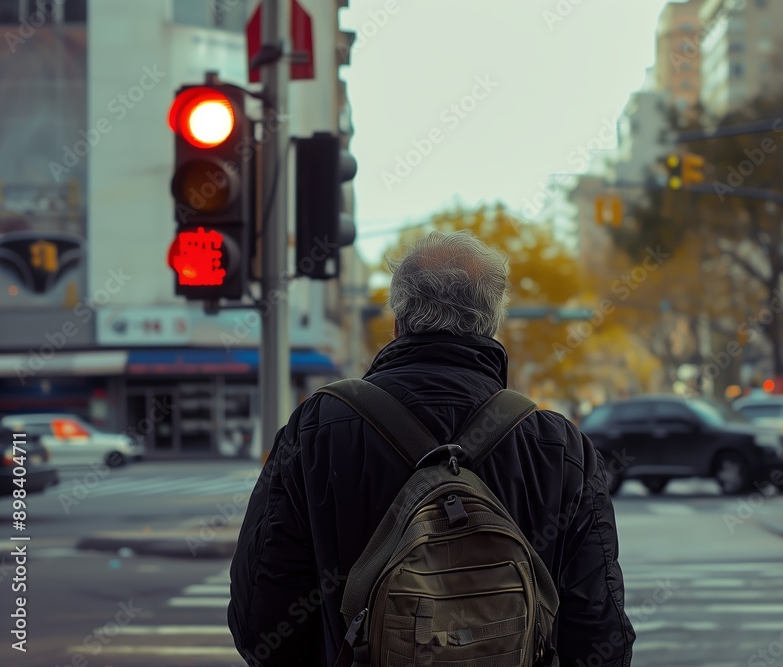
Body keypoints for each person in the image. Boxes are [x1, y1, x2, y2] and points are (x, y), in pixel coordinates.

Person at [228, 231, 635, 666]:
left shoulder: (317, 431)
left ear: (398, 321)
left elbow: (260, 620)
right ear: (492, 322)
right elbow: (599, 634)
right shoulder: (560, 447)